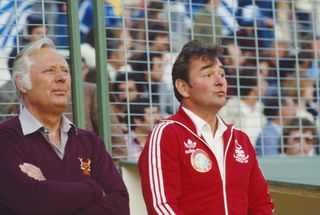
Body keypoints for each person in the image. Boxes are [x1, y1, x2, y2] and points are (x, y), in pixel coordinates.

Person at [138, 40, 274, 214]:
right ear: (183, 87)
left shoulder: (240, 139)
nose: (220, 82)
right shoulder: (166, 134)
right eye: (208, 75)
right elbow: (161, 206)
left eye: (222, 74)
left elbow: (261, 201)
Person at [0, 38, 129, 214]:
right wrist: (94, 189)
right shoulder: (6, 139)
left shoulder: (90, 142)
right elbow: (33, 202)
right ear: (21, 83)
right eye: (49, 71)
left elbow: (120, 205)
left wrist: (48, 188)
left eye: (65, 71)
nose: (62, 78)